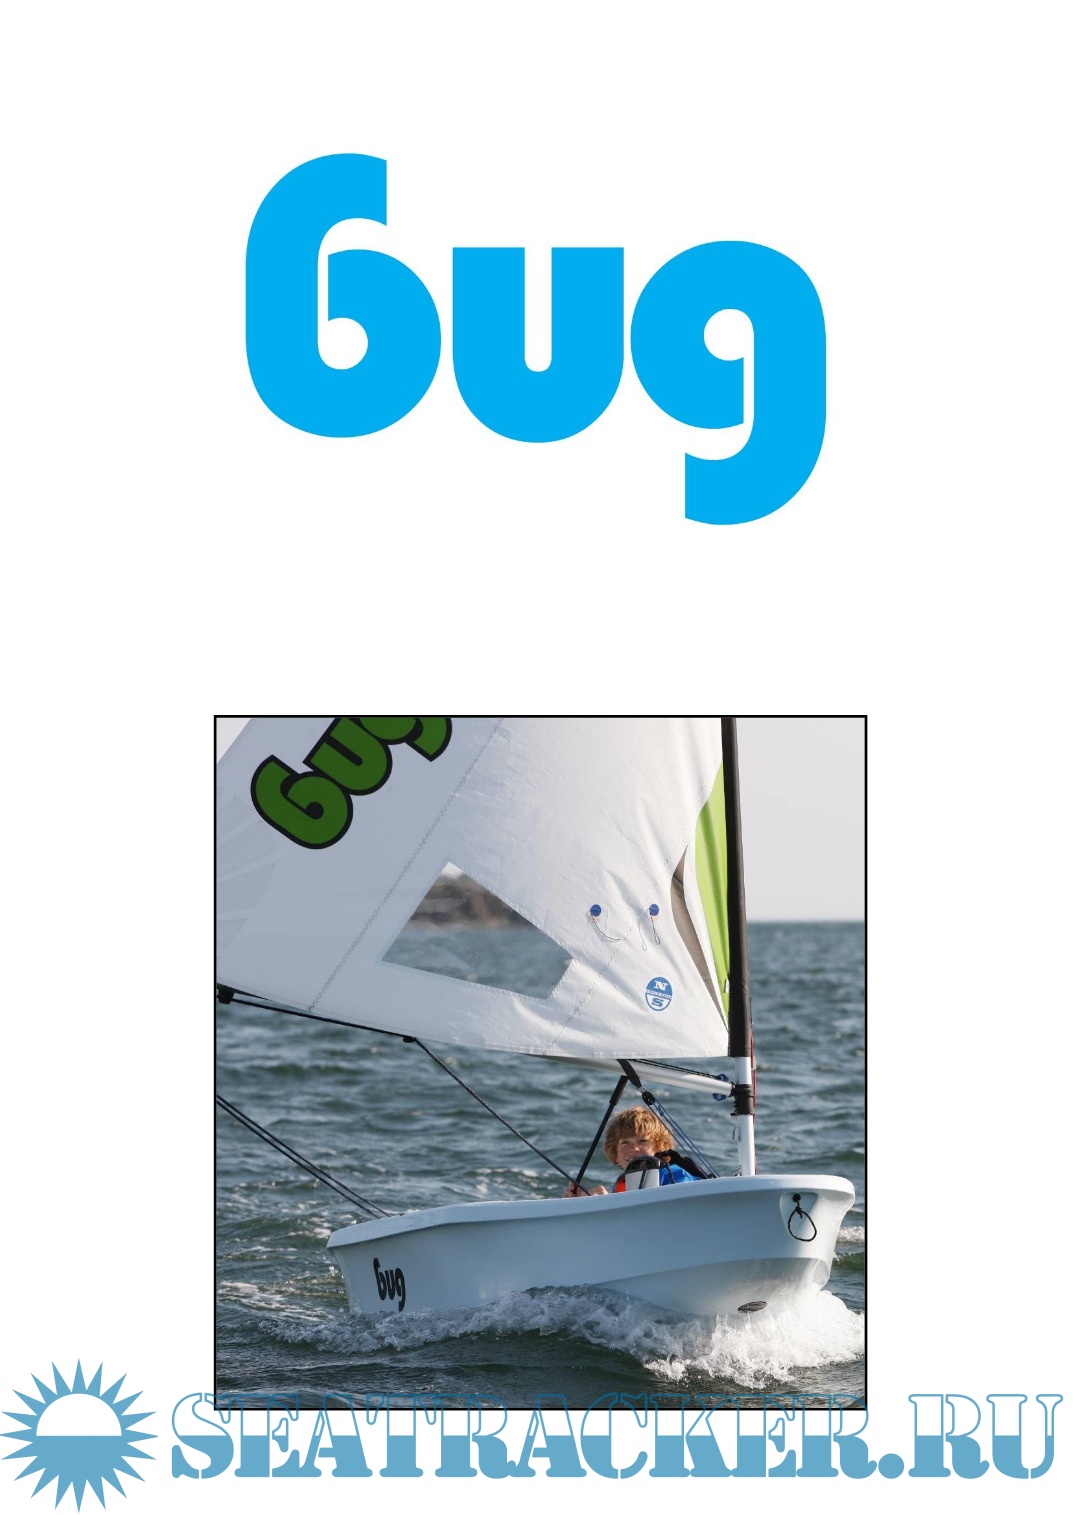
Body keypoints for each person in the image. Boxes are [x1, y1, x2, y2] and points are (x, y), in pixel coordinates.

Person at [562, 1105, 702, 1196]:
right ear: (615, 1154)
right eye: (624, 1143)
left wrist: (609, 1206)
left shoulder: (675, 1176)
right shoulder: (622, 1185)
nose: (633, 1149)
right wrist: (579, 1206)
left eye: (642, 1141)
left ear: (660, 1148)